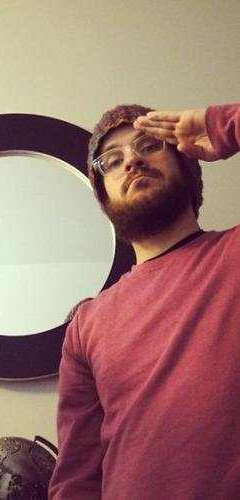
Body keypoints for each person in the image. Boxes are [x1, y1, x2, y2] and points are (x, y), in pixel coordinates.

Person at [49, 102, 240, 499]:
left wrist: (221, 125)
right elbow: (76, 477)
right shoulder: (87, 324)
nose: (132, 161)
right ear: (104, 196)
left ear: (187, 165)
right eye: (112, 160)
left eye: (149, 145)